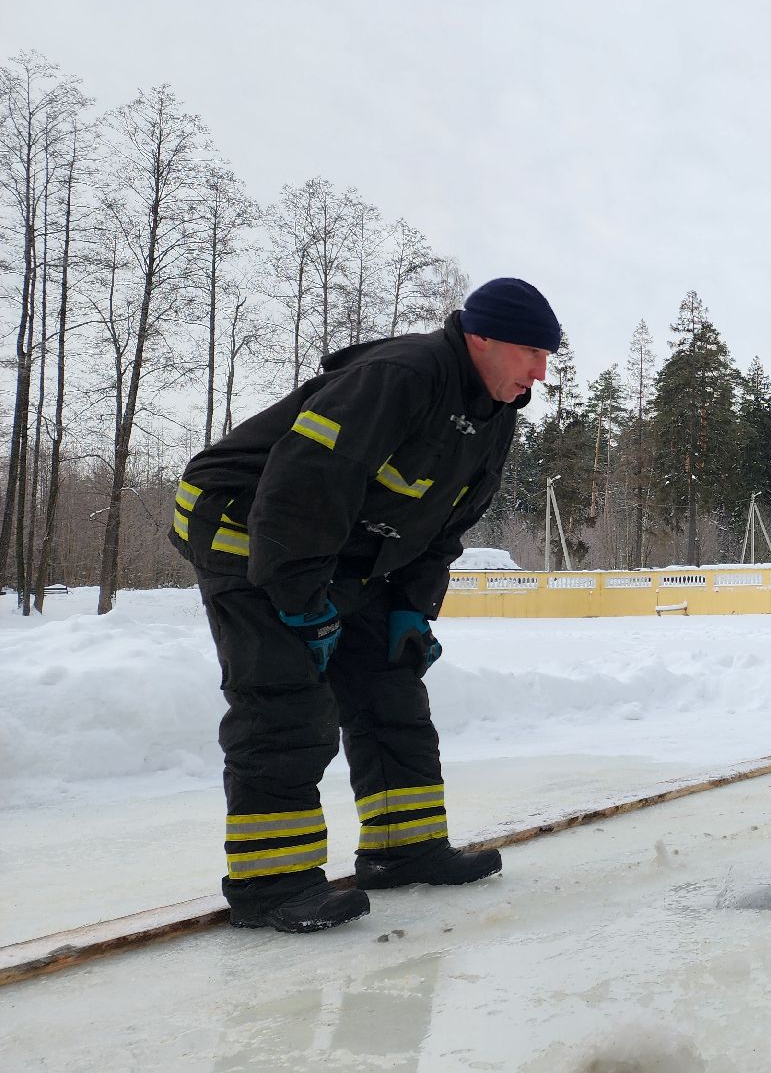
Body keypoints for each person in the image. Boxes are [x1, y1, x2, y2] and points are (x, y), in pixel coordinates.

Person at [169, 278, 559, 933]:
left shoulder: (494, 416)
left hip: (339, 545)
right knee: (287, 700)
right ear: (481, 338)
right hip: (246, 527)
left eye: (547, 357)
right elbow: (306, 483)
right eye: (531, 353)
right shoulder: (401, 375)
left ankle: (402, 850)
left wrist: (411, 607)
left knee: (388, 683)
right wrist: (300, 600)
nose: (540, 373)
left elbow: (443, 524)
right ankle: (270, 886)